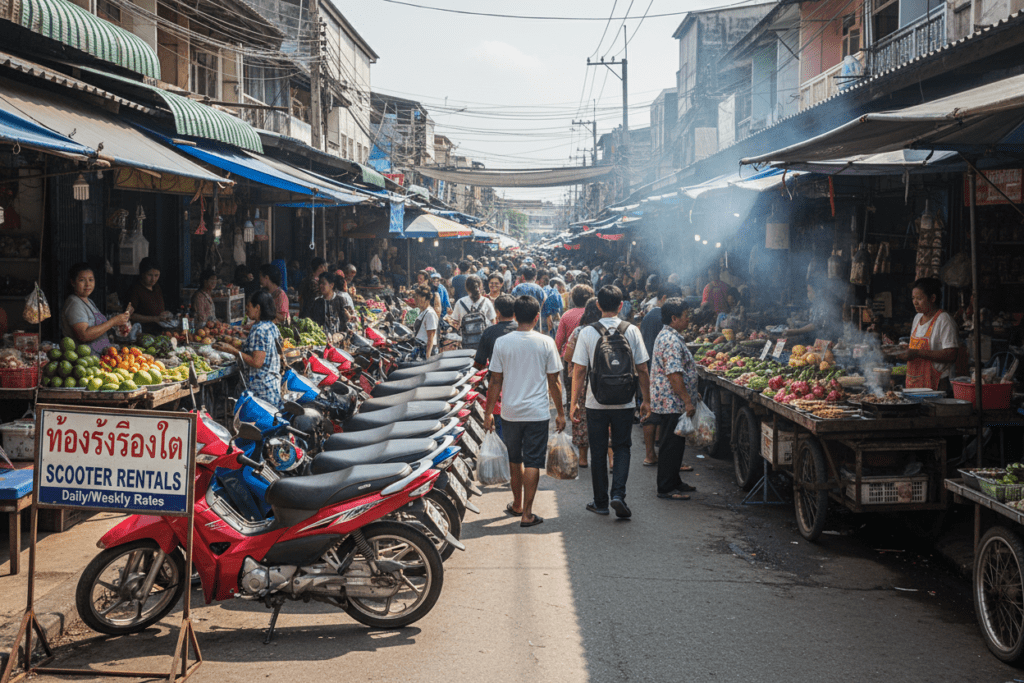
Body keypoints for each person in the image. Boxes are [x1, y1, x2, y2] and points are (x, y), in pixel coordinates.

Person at [482, 295, 565, 529]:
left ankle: (517, 503)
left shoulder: (503, 342)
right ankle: (527, 513)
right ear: (537, 317)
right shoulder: (546, 342)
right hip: (537, 413)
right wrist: (560, 412)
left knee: (514, 458)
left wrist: (489, 413)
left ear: (515, 316)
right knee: (533, 462)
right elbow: (554, 382)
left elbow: (495, 381)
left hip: (510, 412)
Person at [571, 285, 651, 519]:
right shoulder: (632, 331)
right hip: (625, 401)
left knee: (597, 450)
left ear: (597, 305)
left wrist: (573, 402)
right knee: (622, 447)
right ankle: (618, 495)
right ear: (620, 306)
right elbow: (643, 369)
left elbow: (579, 371)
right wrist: (645, 400)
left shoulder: (587, 332)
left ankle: (600, 502)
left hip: (595, 401)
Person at [650, 300, 706, 500]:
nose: (688, 318)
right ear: (674, 319)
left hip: (673, 400)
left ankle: (674, 481)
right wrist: (687, 400)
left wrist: (691, 393)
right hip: (671, 402)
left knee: (677, 443)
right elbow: (674, 374)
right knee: (670, 445)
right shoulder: (671, 340)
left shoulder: (670, 336)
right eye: (685, 315)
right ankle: (665, 488)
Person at [640, 283, 682, 466]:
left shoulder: (648, 315)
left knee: (651, 412)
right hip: (659, 372)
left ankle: (650, 454)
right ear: (664, 298)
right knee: (664, 416)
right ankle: (669, 458)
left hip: (647, 367)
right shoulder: (663, 320)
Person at [216, 291, 283, 408]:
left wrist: (233, 351)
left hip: (260, 391)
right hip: (270, 386)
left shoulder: (260, 330)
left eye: (248, 307)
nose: (246, 311)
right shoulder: (271, 326)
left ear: (257, 308)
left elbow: (257, 362)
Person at [900, 277, 959, 393]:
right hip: (914, 383)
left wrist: (917, 352)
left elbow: (952, 354)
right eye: (913, 298)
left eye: (919, 298)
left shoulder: (944, 320)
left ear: (932, 298)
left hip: (936, 386)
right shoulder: (917, 318)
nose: (915, 302)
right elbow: (913, 350)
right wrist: (902, 351)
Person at [562, 298, 601, 469]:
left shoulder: (579, 331)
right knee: (604, 417)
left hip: (581, 381)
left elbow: (567, 357)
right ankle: (611, 458)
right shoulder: (608, 329)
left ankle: (583, 458)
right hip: (603, 380)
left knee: (581, 418)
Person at [61, 263, 131, 355]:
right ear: (73, 282)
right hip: (86, 361)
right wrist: (113, 321)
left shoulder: (89, 301)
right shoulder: (74, 303)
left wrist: (118, 326)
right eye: (82, 280)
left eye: (91, 280)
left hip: (101, 356)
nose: (87, 284)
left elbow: (100, 328)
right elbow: (84, 335)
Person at [450, 275, 496, 340]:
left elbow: (455, 322)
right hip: (483, 340)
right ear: (481, 286)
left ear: (466, 288)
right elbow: (493, 323)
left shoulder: (460, 302)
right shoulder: (486, 302)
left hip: (466, 340)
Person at [309, 272, 349, 343]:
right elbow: (313, 324)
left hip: (338, 342)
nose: (320, 285)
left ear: (331, 285)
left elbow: (345, 326)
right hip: (321, 342)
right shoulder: (316, 302)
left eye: (323, 283)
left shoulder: (341, 301)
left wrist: (340, 335)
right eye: (319, 283)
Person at [412, 284, 439, 357]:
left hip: (427, 350)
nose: (417, 301)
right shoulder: (423, 312)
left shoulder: (430, 314)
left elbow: (431, 338)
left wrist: (428, 357)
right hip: (420, 349)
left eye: (419, 299)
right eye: (416, 298)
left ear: (427, 299)